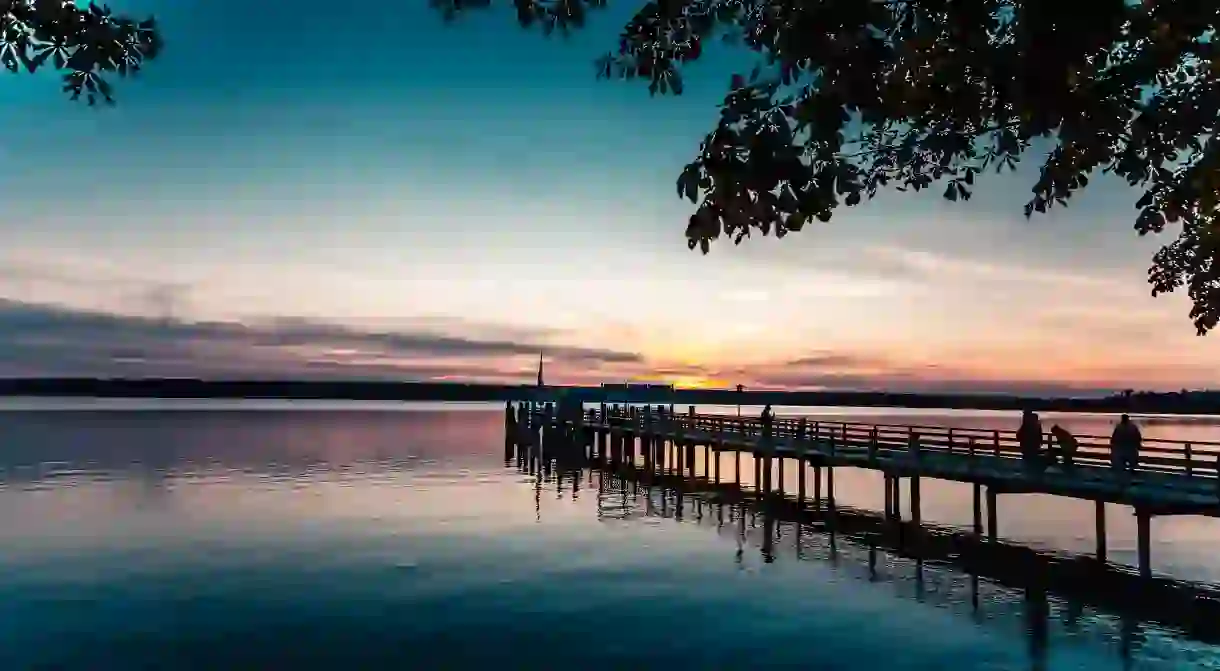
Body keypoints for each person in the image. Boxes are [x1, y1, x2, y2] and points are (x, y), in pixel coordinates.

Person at [1016, 409, 1045, 474]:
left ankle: (1029, 474)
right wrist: (1040, 441)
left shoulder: (1026, 424)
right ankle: (1034, 473)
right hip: (1034, 445)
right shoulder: (1035, 423)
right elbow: (1039, 433)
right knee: (1033, 459)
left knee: (1028, 460)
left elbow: (1019, 435)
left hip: (1027, 445)